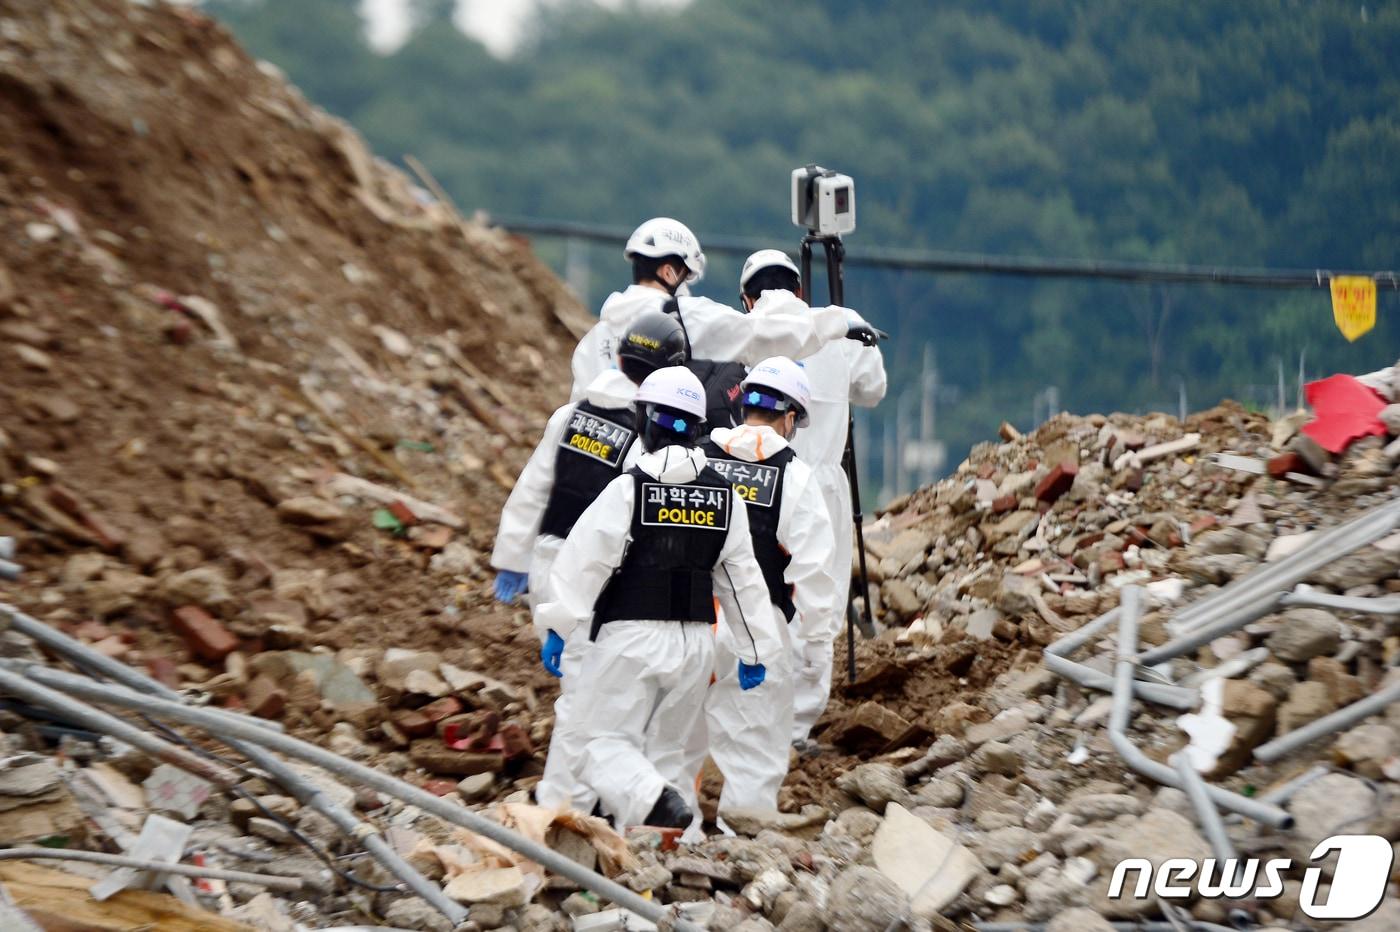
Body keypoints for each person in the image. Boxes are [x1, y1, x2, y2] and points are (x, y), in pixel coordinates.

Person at [535, 366, 785, 830]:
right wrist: (755, 651)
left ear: (646, 422)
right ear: (697, 430)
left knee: (596, 743)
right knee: (667, 754)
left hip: (631, 638)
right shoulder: (725, 497)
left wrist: (557, 625)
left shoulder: (629, 489)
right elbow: (741, 579)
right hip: (694, 646)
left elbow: (584, 561)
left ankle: (651, 802)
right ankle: (670, 859)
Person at [488, 311, 689, 809]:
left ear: (619, 357)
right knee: (586, 697)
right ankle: (568, 803)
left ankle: (586, 793)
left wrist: (511, 556)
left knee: (586, 691)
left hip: (545, 562)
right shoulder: (640, 441)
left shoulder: (570, 415)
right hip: (590, 579)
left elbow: (533, 488)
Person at [737, 250, 887, 744]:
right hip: (821, 483)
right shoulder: (834, 326)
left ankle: (747, 705)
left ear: (747, 296)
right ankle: (797, 724)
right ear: (801, 291)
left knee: (752, 592)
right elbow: (874, 387)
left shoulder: (745, 329)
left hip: (755, 481)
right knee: (816, 601)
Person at [691, 357, 837, 813]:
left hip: (686, 618)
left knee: (677, 736)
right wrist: (815, 645)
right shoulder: (793, 475)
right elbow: (812, 572)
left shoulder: (698, 456)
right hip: (755, 624)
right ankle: (743, 841)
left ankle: (675, 837)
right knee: (754, 742)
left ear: (744, 407)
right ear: (790, 419)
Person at [569, 218, 882, 401]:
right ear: (668, 272)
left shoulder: (594, 338)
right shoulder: (682, 318)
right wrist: (838, 321)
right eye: (685, 277)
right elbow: (762, 334)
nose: (687, 287)